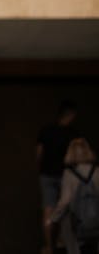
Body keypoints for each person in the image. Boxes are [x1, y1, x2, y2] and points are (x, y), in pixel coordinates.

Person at [38, 100, 81, 254]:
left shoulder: (46, 131)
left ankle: (50, 246)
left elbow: (39, 154)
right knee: (65, 210)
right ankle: (62, 242)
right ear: (71, 115)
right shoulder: (73, 134)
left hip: (46, 174)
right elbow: (75, 158)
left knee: (48, 211)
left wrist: (41, 169)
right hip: (65, 175)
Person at [51, 138, 99, 254]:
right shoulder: (97, 171)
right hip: (97, 217)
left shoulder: (69, 174)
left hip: (78, 220)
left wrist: (54, 218)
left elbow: (65, 201)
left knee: (66, 223)